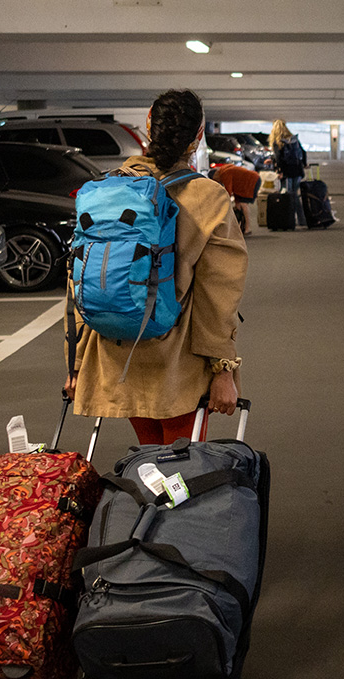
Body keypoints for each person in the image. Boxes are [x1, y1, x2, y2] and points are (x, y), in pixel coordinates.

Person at [66, 89, 246, 445]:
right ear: (197, 137)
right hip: (177, 362)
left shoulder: (107, 186)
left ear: (149, 128)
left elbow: (78, 277)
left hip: (117, 353)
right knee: (183, 476)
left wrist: (75, 362)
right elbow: (218, 292)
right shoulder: (208, 197)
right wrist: (223, 369)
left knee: (147, 467)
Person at [208, 155, 261, 236]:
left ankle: (248, 228)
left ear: (215, 175)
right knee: (239, 205)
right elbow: (234, 186)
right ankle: (241, 228)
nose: (217, 181)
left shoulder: (224, 173)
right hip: (248, 183)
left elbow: (228, 191)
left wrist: (223, 203)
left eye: (215, 180)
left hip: (252, 182)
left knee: (244, 204)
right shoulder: (224, 169)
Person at [270, 119, 308, 227]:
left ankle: (291, 218)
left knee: (290, 195)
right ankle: (300, 219)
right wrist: (304, 164)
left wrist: (280, 171)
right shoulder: (294, 139)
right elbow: (303, 152)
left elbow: (279, 158)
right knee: (293, 194)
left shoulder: (277, 142)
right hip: (298, 171)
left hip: (287, 172)